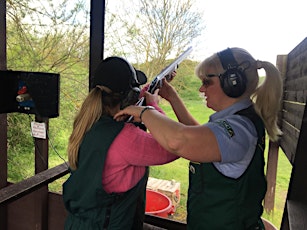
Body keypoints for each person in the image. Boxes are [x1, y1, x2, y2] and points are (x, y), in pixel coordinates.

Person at [114, 47, 283, 229]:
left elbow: (179, 141)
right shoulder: (240, 122)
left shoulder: (238, 130)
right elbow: (199, 135)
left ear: (232, 82)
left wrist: (147, 112)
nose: (201, 88)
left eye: (207, 82)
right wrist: (171, 96)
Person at [62, 56, 178, 230]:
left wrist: (151, 89)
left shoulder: (87, 124)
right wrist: (152, 108)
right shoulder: (126, 137)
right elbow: (175, 144)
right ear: (128, 98)